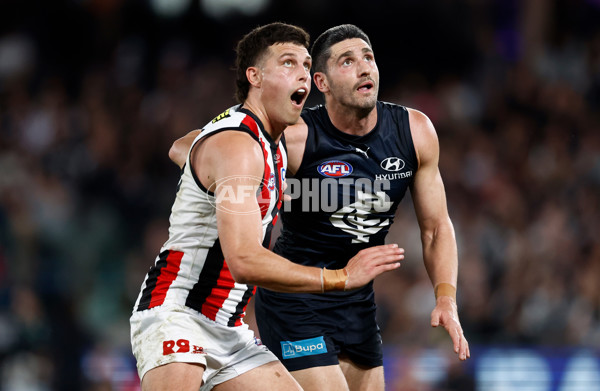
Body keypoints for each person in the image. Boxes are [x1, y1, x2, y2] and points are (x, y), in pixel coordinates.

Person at [170, 24, 469, 391]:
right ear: (321, 83)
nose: (364, 68)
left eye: (368, 57)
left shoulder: (414, 131)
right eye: (347, 61)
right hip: (295, 299)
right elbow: (185, 146)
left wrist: (446, 298)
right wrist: (241, 182)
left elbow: (436, 228)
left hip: (357, 301)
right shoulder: (295, 136)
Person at [130, 22, 404, 391]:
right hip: (177, 312)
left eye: (307, 65)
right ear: (254, 76)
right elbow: (243, 261)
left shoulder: (269, 143)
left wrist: (228, 181)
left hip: (228, 326)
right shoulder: (239, 146)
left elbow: (181, 146)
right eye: (288, 63)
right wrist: (338, 278)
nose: (303, 74)